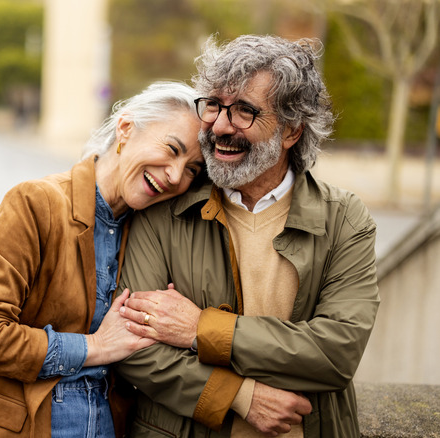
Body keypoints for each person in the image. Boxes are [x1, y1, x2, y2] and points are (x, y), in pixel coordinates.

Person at [114, 35, 379, 437]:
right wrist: (240, 395)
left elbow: (336, 352)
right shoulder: (165, 208)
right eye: (215, 106)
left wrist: (200, 329)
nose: (220, 125)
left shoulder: (344, 218)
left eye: (244, 112)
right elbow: (136, 346)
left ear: (290, 131)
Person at [0, 81, 206, 437]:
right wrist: (94, 347)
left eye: (192, 169)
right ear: (126, 129)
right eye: (172, 149)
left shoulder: (149, 230)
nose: (176, 175)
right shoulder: (35, 204)